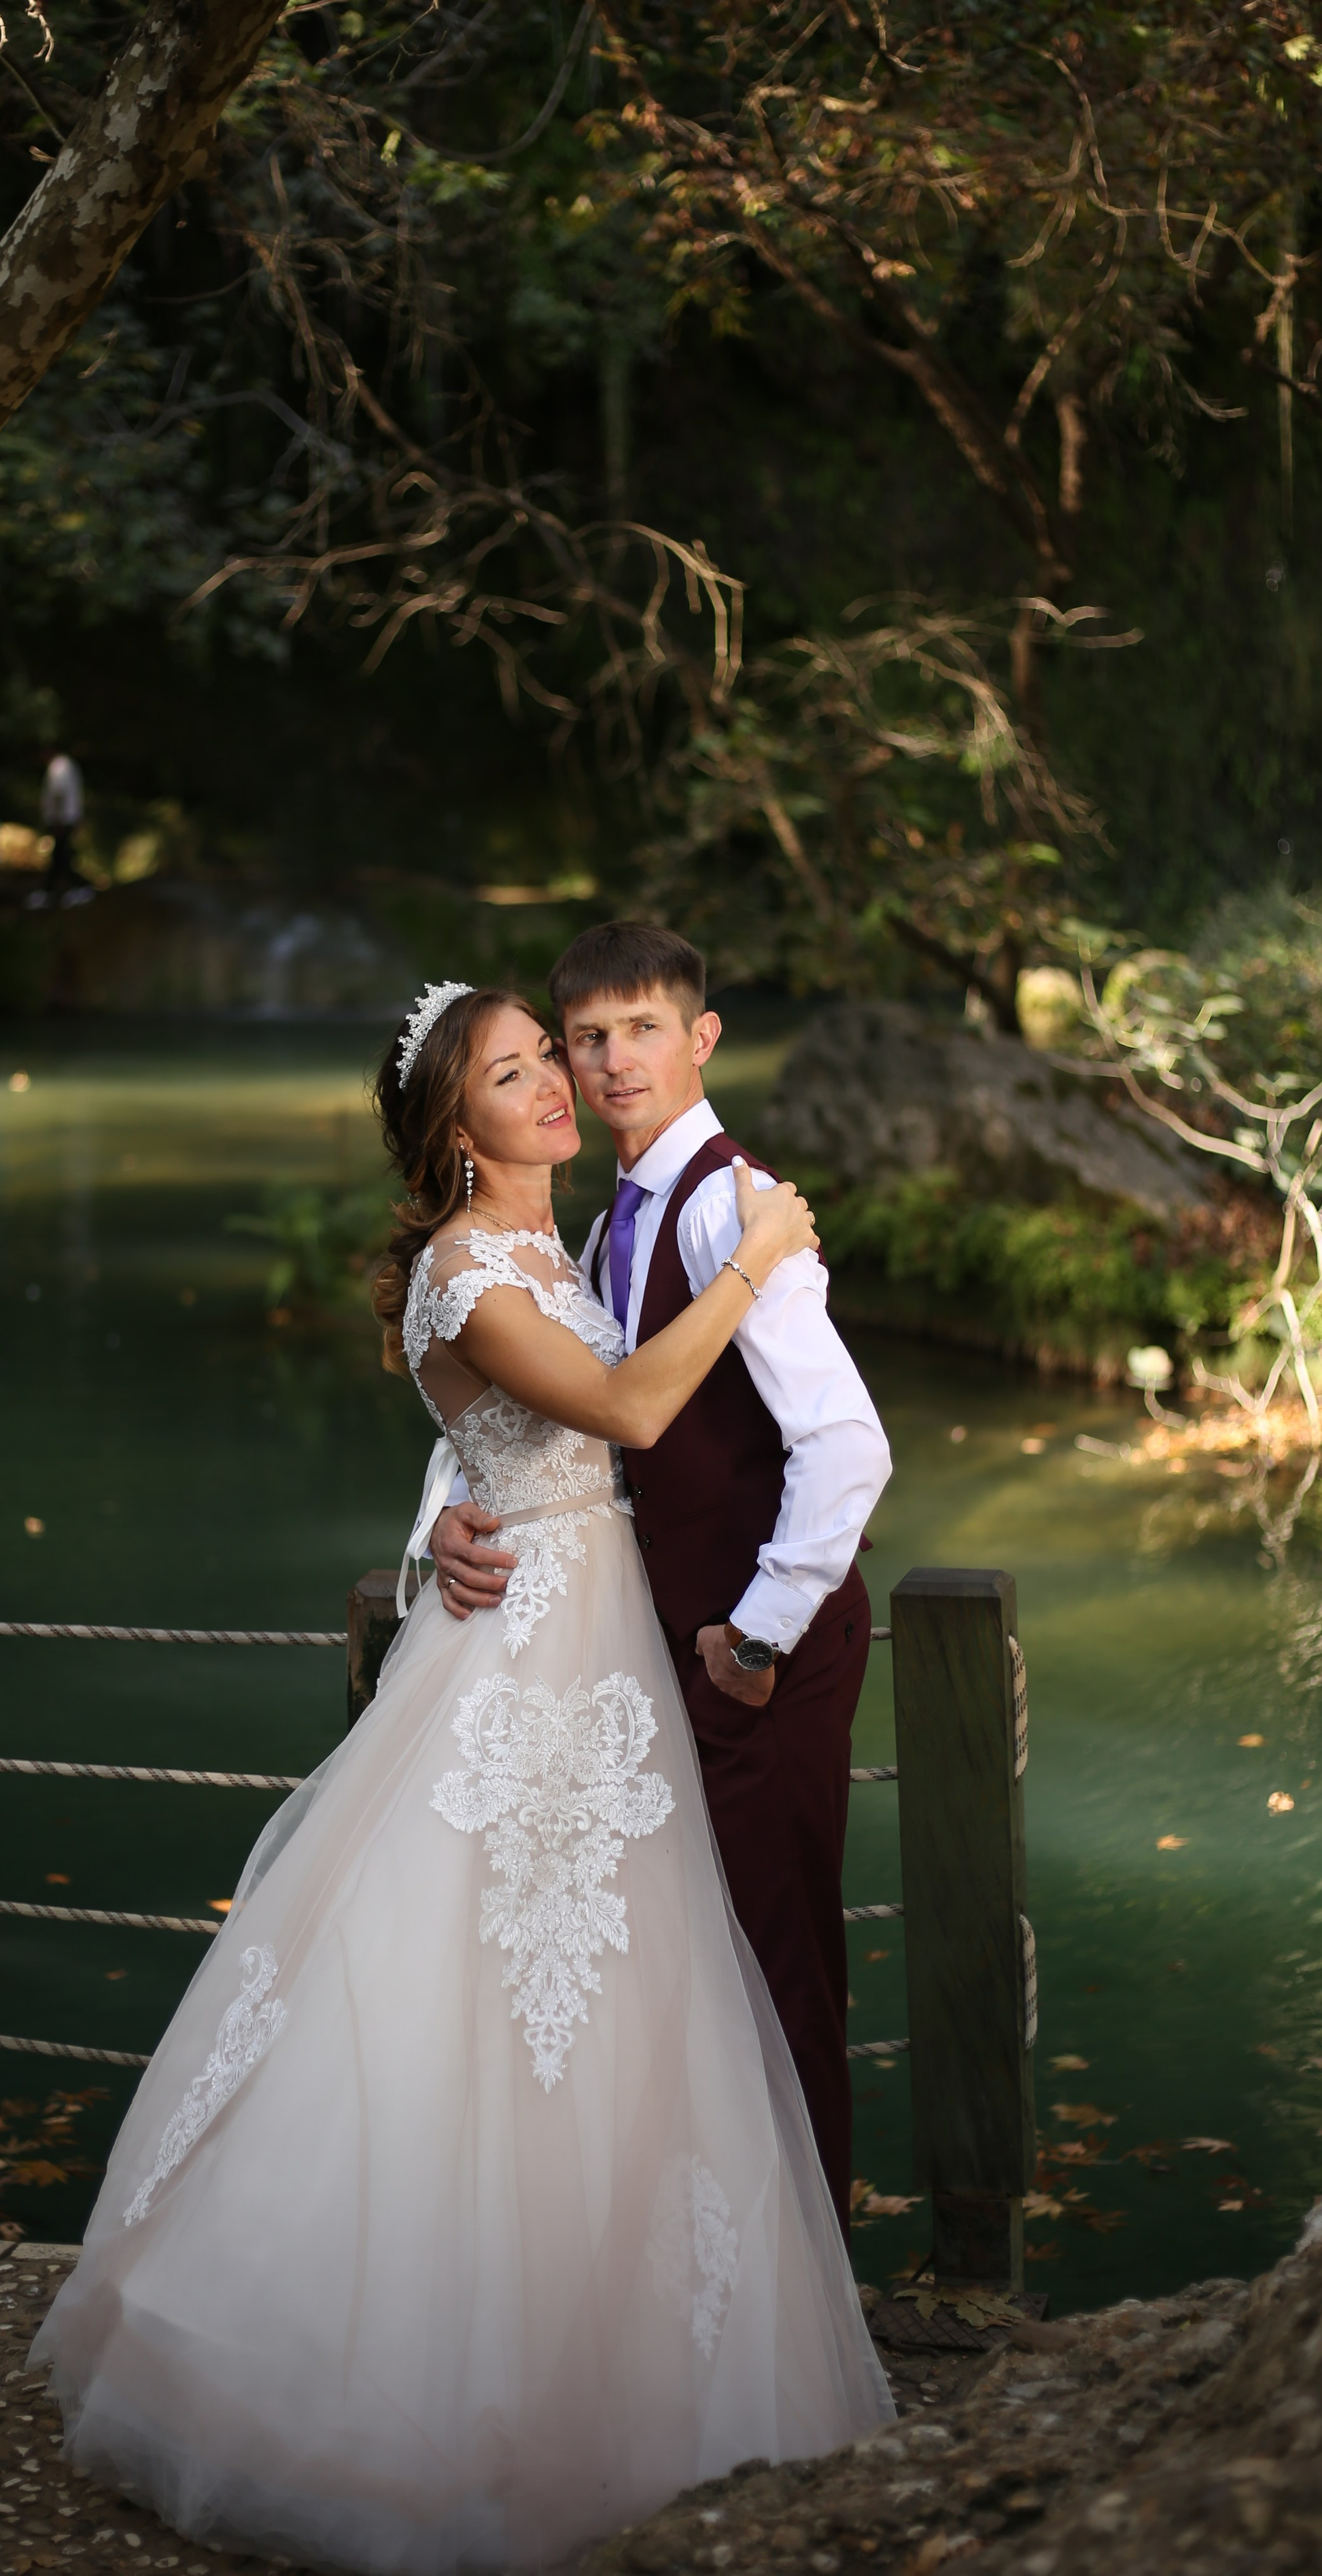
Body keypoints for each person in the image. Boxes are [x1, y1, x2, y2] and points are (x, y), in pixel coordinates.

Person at [31, 981, 892, 2571]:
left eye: (546, 1057)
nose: (555, 1087)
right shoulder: (458, 1265)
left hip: (603, 1660)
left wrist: (444, 1500)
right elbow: (625, 1404)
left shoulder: (569, 1253)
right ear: (454, 1127)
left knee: (624, 2006)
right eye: (510, 1074)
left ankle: (621, 2365)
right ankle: (420, 2396)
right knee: (470, 1999)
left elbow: (508, 1434)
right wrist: (761, 1261)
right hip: (525, 1674)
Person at [430, 924, 891, 2231]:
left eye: (644, 1028)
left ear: (702, 1038)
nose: (613, 1059)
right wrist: (455, 1515)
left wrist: (756, 1636)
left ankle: (814, 2311)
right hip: (656, 1656)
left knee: (777, 1971)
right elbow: (542, 1412)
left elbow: (849, 1448)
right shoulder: (613, 1218)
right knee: (697, 1972)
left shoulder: (740, 1212)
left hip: (754, 1661)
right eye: (589, 1036)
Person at [40, 749, 84, 895]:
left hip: (63, 819)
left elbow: (59, 793)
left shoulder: (58, 766)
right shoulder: (67, 764)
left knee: (61, 854)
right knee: (61, 855)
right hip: (67, 818)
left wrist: (58, 820)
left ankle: (71, 888)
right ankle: (53, 889)